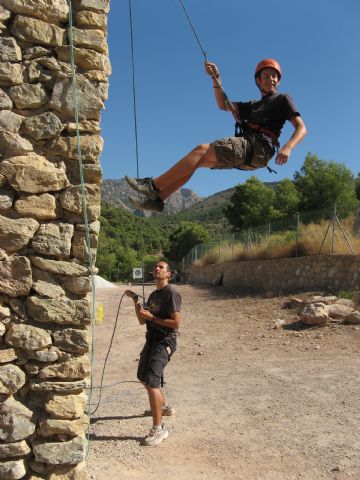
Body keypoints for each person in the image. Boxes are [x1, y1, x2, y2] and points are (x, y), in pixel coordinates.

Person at [126, 58, 307, 212]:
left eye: (274, 76)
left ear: (279, 81)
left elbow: (301, 128)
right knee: (196, 162)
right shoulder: (252, 106)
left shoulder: (282, 99)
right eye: (266, 76)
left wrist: (288, 147)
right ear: (258, 81)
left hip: (259, 147)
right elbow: (223, 104)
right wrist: (216, 78)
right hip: (251, 153)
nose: (271, 79)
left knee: (200, 150)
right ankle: (158, 200)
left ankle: (153, 185)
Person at [125, 261, 181, 446]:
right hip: (151, 339)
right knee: (142, 376)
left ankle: (159, 429)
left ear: (169, 274)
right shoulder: (153, 295)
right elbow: (142, 320)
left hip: (165, 341)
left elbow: (176, 323)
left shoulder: (171, 293)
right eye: (156, 267)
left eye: (161, 267)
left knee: (151, 380)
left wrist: (153, 318)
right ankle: (164, 407)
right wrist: (136, 301)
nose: (157, 269)